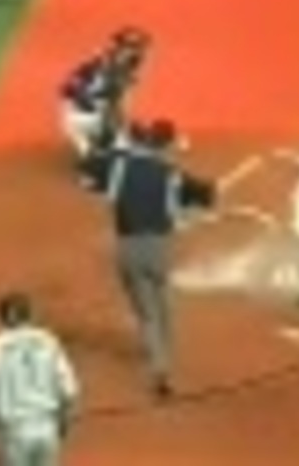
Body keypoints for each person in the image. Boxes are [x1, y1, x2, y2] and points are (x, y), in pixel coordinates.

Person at [78, 118, 215, 399]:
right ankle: (162, 356)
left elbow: (87, 169)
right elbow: (204, 197)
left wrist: (111, 149)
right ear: (163, 146)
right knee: (162, 304)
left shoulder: (120, 165)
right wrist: (206, 193)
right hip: (160, 249)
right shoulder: (172, 173)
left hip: (129, 246)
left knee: (146, 312)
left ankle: (159, 365)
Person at [0, 292, 80, 466]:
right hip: (47, 429)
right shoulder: (49, 342)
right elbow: (69, 391)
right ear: (30, 315)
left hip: (13, 432)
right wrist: (63, 423)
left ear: (2, 318)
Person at [59, 27, 151, 156]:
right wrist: (123, 133)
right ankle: (101, 147)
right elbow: (119, 107)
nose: (140, 52)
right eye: (136, 48)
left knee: (117, 131)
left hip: (73, 118)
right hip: (91, 119)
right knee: (125, 149)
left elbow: (65, 92)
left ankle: (89, 148)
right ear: (124, 49)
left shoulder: (97, 61)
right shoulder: (118, 72)